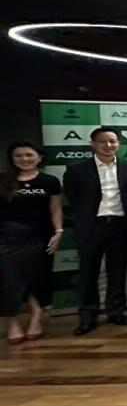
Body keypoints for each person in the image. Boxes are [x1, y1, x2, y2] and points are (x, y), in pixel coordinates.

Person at [63, 127, 127, 335]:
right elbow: (73, 198)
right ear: (93, 144)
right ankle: (87, 316)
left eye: (113, 141)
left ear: (119, 143)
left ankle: (116, 312)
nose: (108, 145)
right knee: (88, 272)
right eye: (103, 141)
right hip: (91, 226)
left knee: (118, 271)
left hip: (120, 225)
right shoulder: (76, 170)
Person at [0, 142, 62, 345]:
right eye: (18, 156)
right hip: (7, 237)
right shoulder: (3, 180)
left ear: (39, 157)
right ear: (12, 159)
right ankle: (12, 323)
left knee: (37, 278)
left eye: (29, 154)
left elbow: (55, 209)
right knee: (8, 280)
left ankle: (36, 317)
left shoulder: (49, 181)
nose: (24, 159)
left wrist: (59, 231)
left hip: (40, 237)